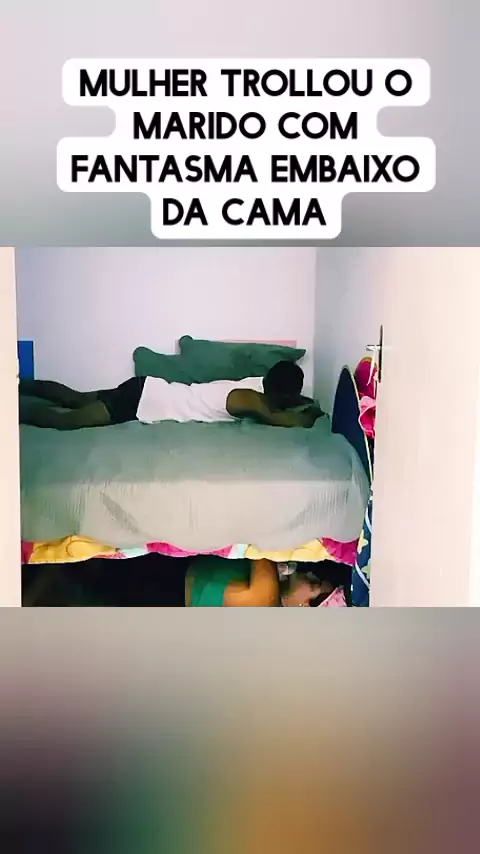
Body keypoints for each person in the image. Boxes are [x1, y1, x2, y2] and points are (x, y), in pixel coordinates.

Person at [19, 361, 324, 430]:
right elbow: (286, 420)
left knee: (76, 398)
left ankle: (21, 384)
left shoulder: (258, 384)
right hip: (141, 401)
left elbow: (282, 403)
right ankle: (14, 410)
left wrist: (299, 401)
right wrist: (312, 412)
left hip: (146, 388)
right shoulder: (248, 398)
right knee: (68, 421)